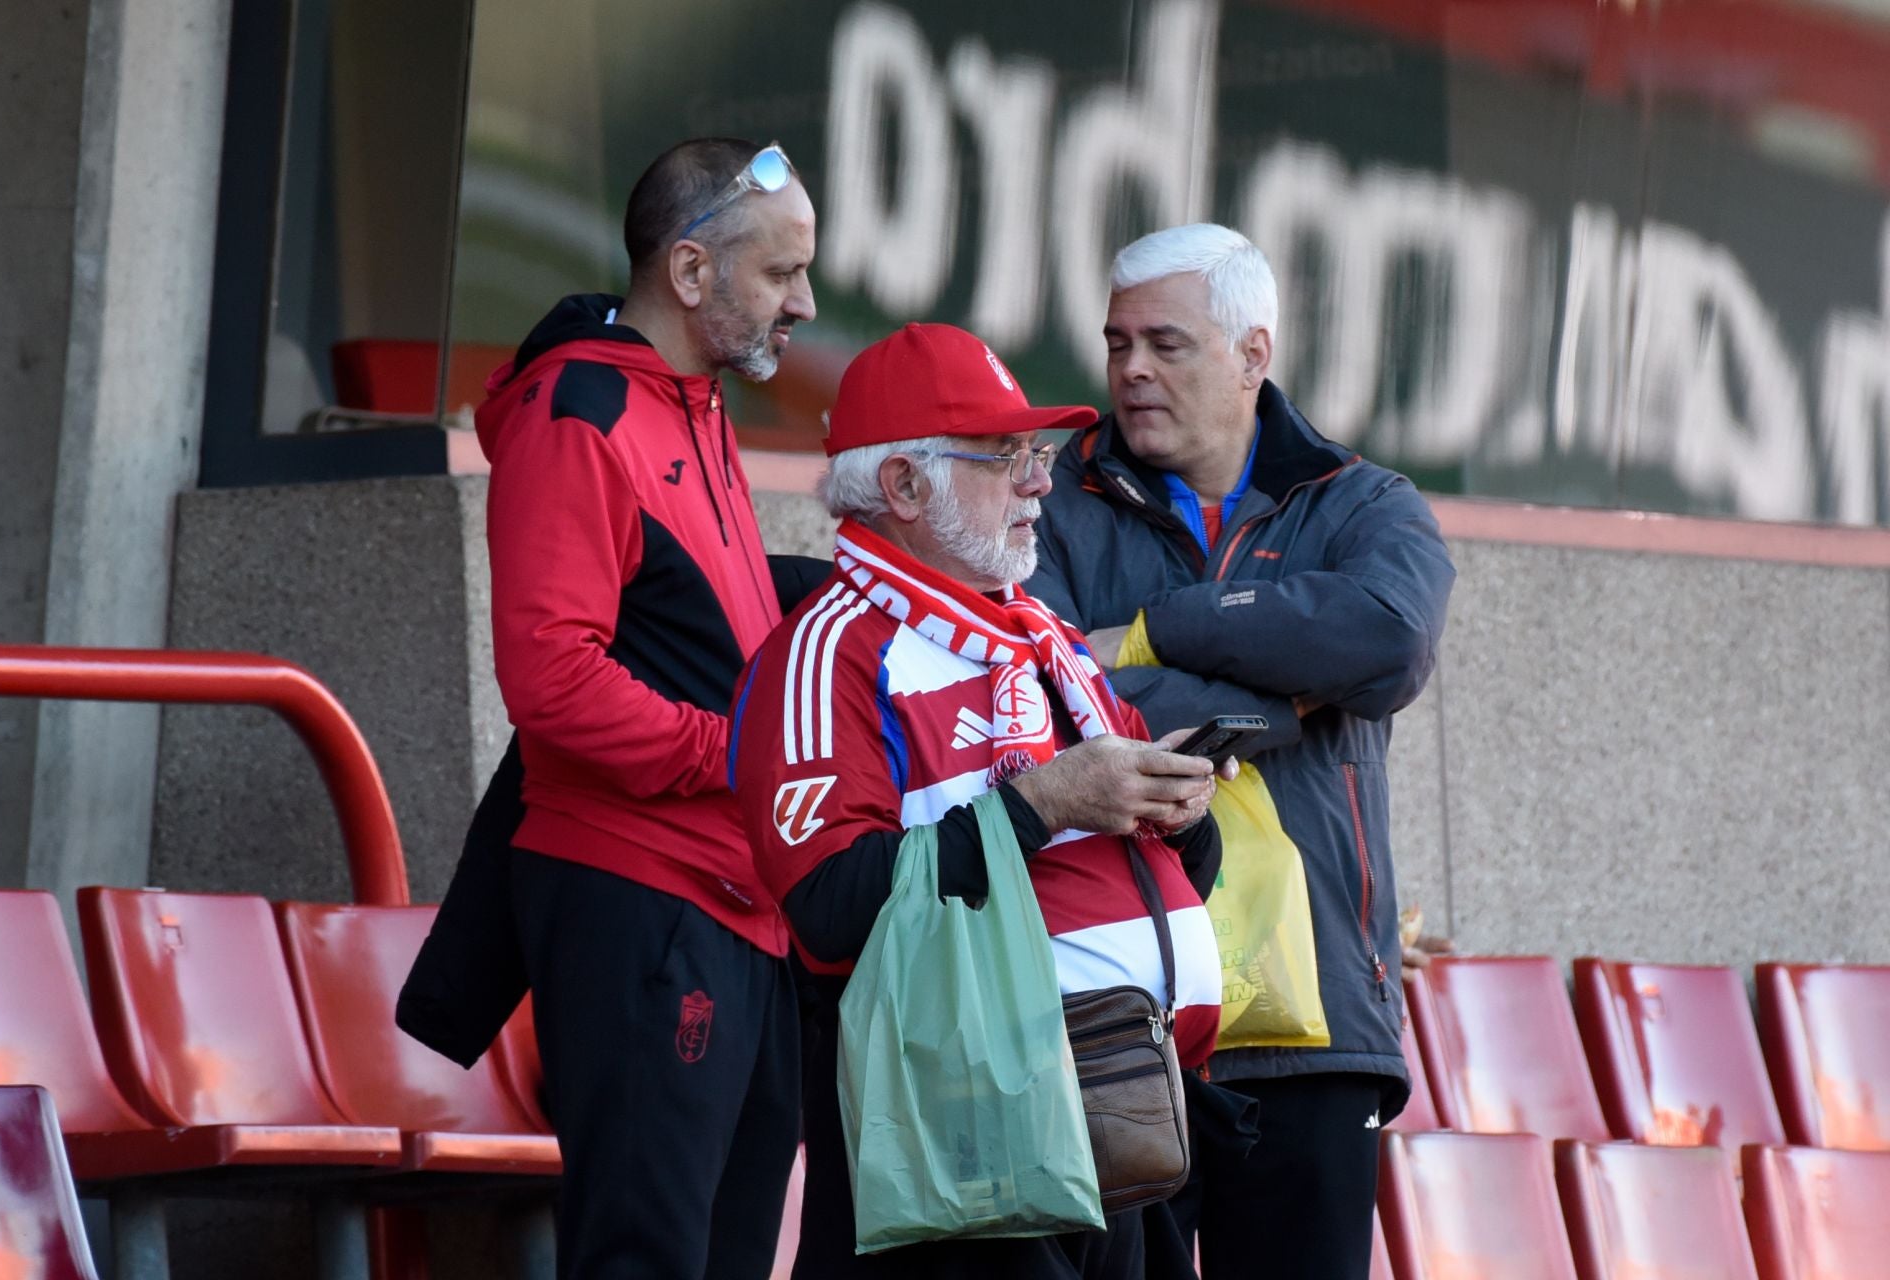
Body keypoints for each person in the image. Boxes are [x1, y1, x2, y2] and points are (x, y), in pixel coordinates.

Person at [730, 322, 1229, 1280]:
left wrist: (1179, 813)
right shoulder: (825, 653)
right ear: (905, 487)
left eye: (1036, 456)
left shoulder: (1046, 642)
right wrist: (1039, 801)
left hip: (1122, 1125)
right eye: (1004, 459)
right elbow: (831, 912)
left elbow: (1156, 880)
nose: (1040, 483)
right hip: (958, 1147)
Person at [1025, 223, 1456, 1278]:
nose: (1130, 368)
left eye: (1166, 343)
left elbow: (1389, 639)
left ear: (1252, 353)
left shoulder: (1366, 503)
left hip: (1315, 1031)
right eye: (1118, 341)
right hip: (1117, 1010)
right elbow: (1044, 691)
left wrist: (1155, 632)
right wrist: (1288, 684)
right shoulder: (1048, 495)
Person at [474, 137, 815, 1279]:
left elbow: (703, 618)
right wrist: (742, 756)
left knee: (724, 1249)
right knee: (648, 1252)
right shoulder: (580, 411)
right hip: (640, 894)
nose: (805, 302)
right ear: (689, 272)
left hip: (737, 897)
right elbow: (551, 680)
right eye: (781, 274)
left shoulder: (695, 403)